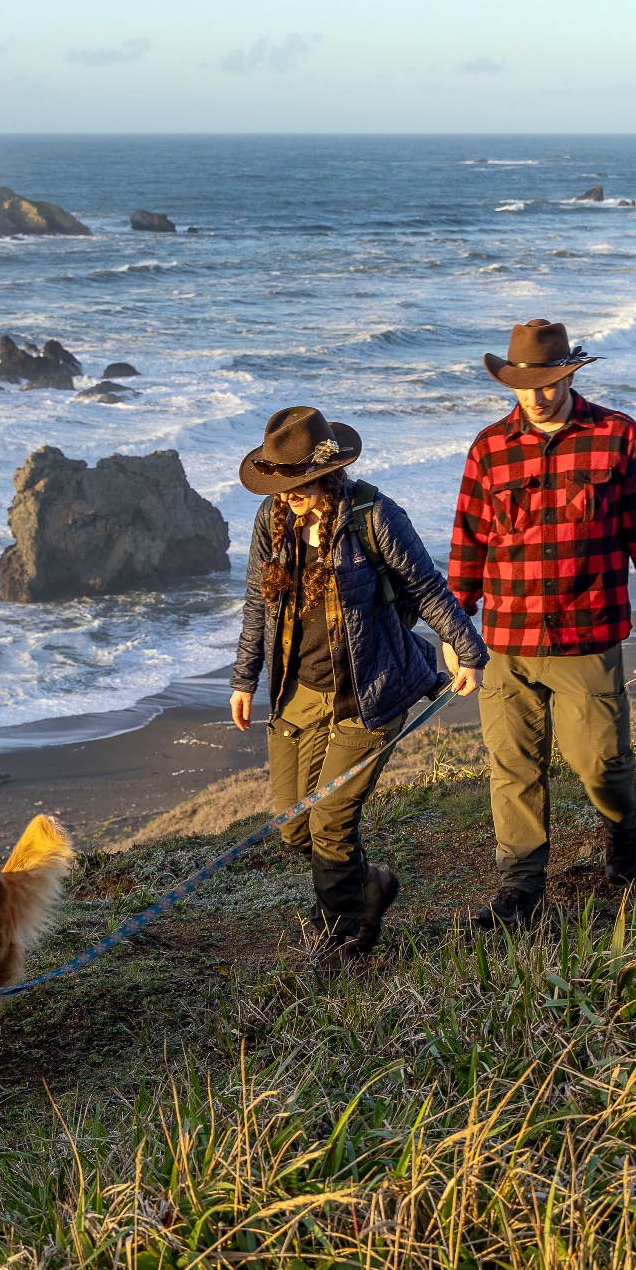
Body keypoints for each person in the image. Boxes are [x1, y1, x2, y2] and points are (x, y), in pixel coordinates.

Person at [448, 320, 636, 930]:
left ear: (570, 375)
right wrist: (456, 632)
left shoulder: (617, 436)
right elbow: (468, 544)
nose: (539, 395)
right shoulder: (488, 448)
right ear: (510, 384)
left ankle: (625, 840)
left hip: (589, 631)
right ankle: (521, 891)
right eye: (526, 385)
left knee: (601, 763)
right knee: (513, 768)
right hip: (507, 639)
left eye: (550, 381)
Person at [231, 405, 489, 962]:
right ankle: (369, 885)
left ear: (326, 473)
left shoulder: (375, 516)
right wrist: (244, 677)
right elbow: (258, 604)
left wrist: (469, 651)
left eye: (296, 482)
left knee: (329, 823)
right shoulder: (272, 521)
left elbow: (426, 588)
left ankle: (345, 935)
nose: (286, 493)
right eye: (279, 482)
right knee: (294, 827)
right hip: (296, 696)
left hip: (367, 695)